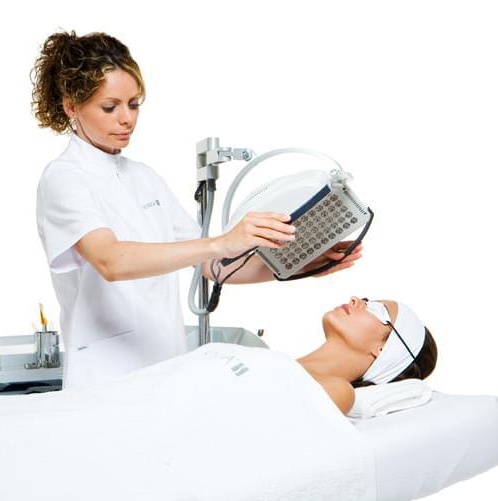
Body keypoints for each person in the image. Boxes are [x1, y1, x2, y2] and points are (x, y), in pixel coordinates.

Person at [30, 30, 362, 390]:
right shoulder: (64, 177)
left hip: (166, 368)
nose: (127, 119)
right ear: (72, 107)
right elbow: (111, 261)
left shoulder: (144, 177)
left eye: (134, 104)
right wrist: (221, 242)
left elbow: (213, 266)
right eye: (110, 107)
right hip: (105, 378)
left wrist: (301, 263)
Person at [296, 296, 438, 415]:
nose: (354, 299)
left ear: (384, 350)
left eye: (379, 310)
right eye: (366, 301)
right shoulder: (286, 363)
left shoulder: (339, 392)